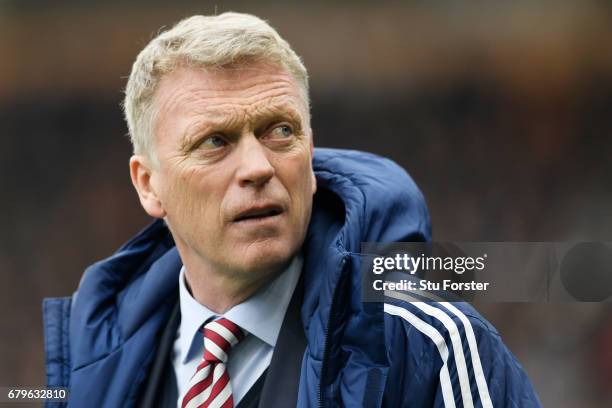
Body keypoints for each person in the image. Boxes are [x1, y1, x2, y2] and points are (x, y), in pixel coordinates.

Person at [43, 12, 541, 408]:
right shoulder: (90, 365)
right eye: (215, 141)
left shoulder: (428, 345)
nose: (258, 166)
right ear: (149, 185)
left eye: (280, 131)